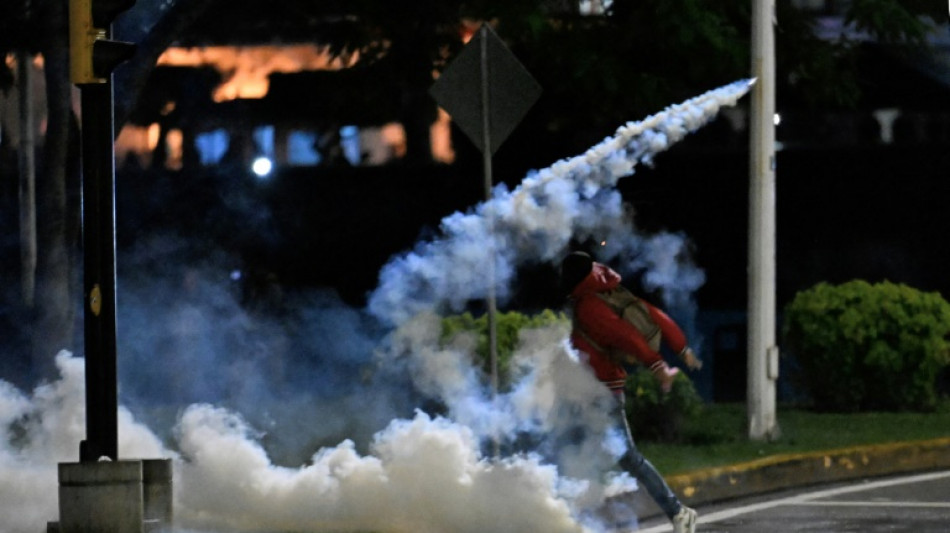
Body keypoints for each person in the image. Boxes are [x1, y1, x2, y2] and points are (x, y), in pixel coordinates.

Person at [560, 251, 702, 533]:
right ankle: (562, 516)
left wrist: (657, 364)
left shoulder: (590, 305)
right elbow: (652, 314)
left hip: (601, 394)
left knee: (623, 457)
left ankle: (678, 512)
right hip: (589, 392)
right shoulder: (605, 290)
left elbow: (626, 336)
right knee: (574, 450)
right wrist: (681, 346)